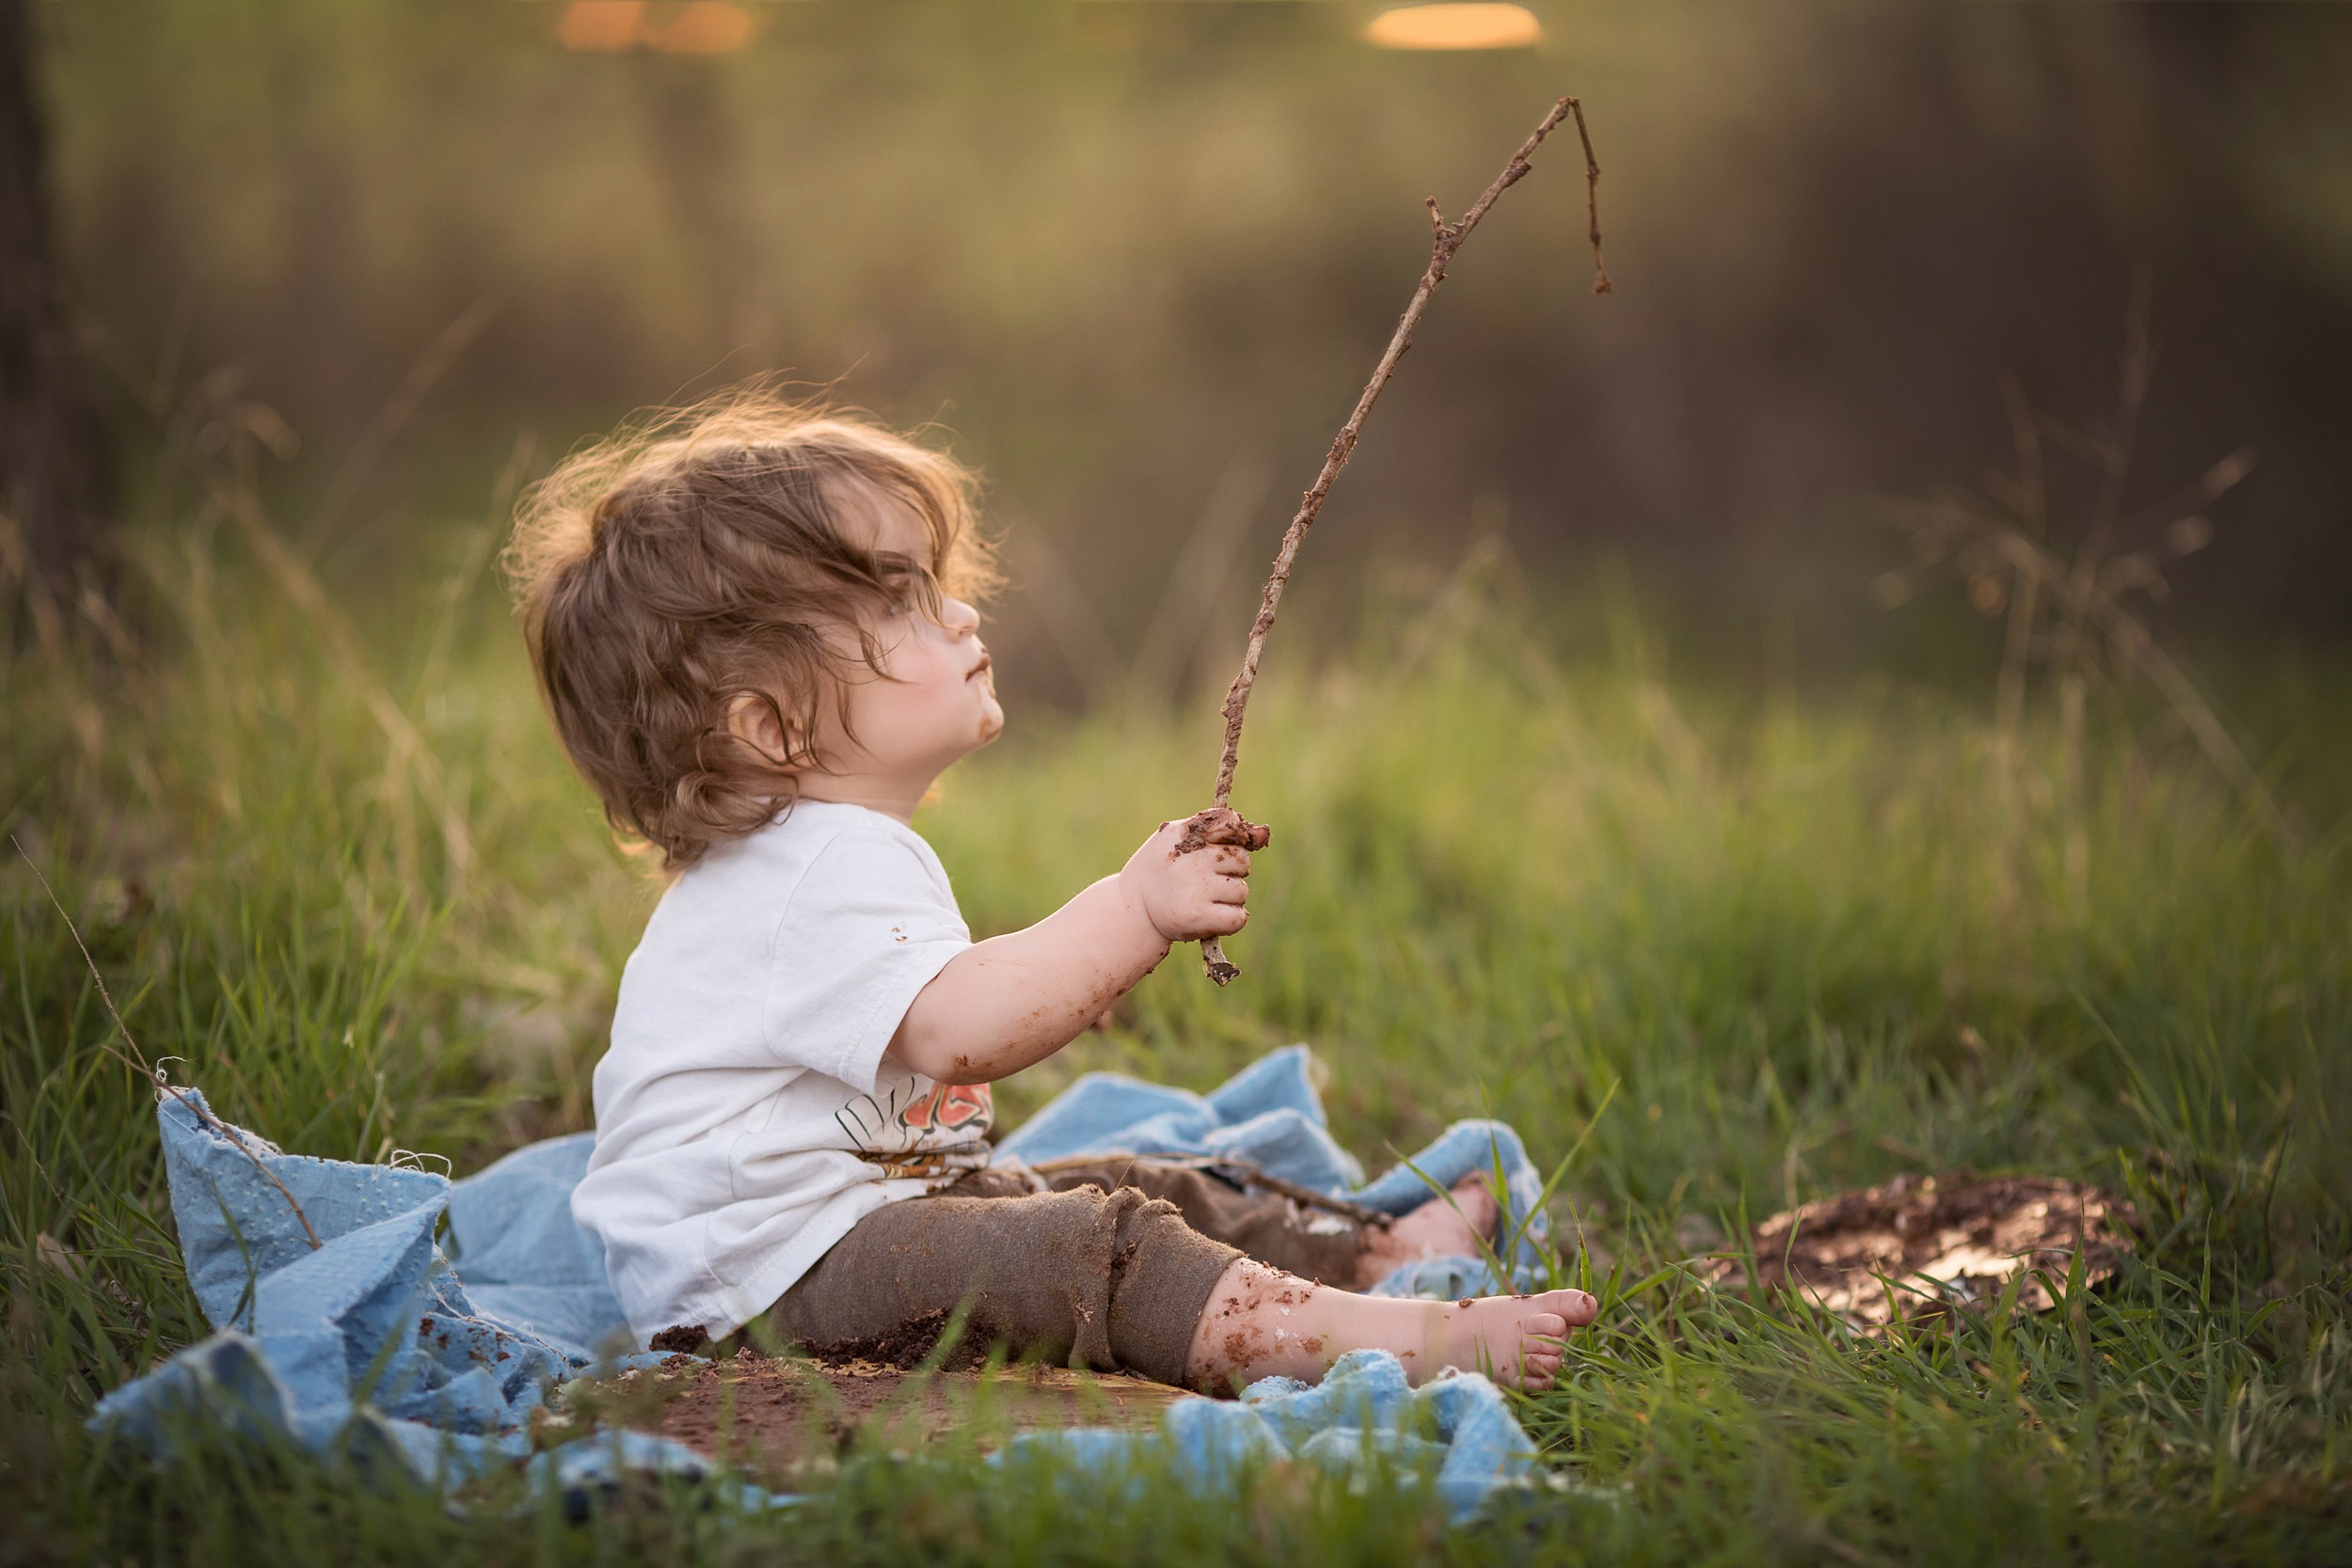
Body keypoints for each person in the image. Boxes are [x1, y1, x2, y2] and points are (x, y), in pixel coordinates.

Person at [504, 391, 1597, 1393]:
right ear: (773, 726)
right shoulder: (814, 867)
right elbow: (964, 1028)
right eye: (900, 598)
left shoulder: (807, 857)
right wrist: (1130, 912)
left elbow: (941, 1007)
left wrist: (1071, 978)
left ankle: (1366, 1252)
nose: (961, 613)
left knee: (1122, 1179)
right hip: (763, 1293)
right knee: (1089, 1248)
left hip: (823, 1242)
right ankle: (1400, 1342)